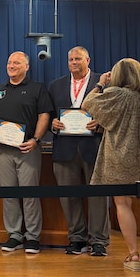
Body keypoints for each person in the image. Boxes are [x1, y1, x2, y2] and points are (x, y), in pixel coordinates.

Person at [82, 58, 140, 272]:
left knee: (122, 203)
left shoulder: (116, 94)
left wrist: (100, 83)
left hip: (119, 154)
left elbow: (87, 103)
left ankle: (134, 255)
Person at [47, 46, 109, 257]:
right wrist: (53, 124)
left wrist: (100, 122)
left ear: (88, 60)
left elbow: (114, 112)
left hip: (94, 147)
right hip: (65, 149)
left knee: (98, 196)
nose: (74, 62)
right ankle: (76, 238)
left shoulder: (104, 82)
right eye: (71, 59)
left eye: (78, 59)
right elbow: (49, 116)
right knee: (69, 196)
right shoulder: (56, 86)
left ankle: (99, 240)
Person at [0, 51, 50, 254]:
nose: (12, 65)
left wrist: (36, 139)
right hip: (2, 151)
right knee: (8, 194)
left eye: (17, 62)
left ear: (27, 67)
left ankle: (32, 237)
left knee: (30, 194)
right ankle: (14, 235)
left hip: (27, 149)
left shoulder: (37, 88)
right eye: (9, 62)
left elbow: (44, 116)